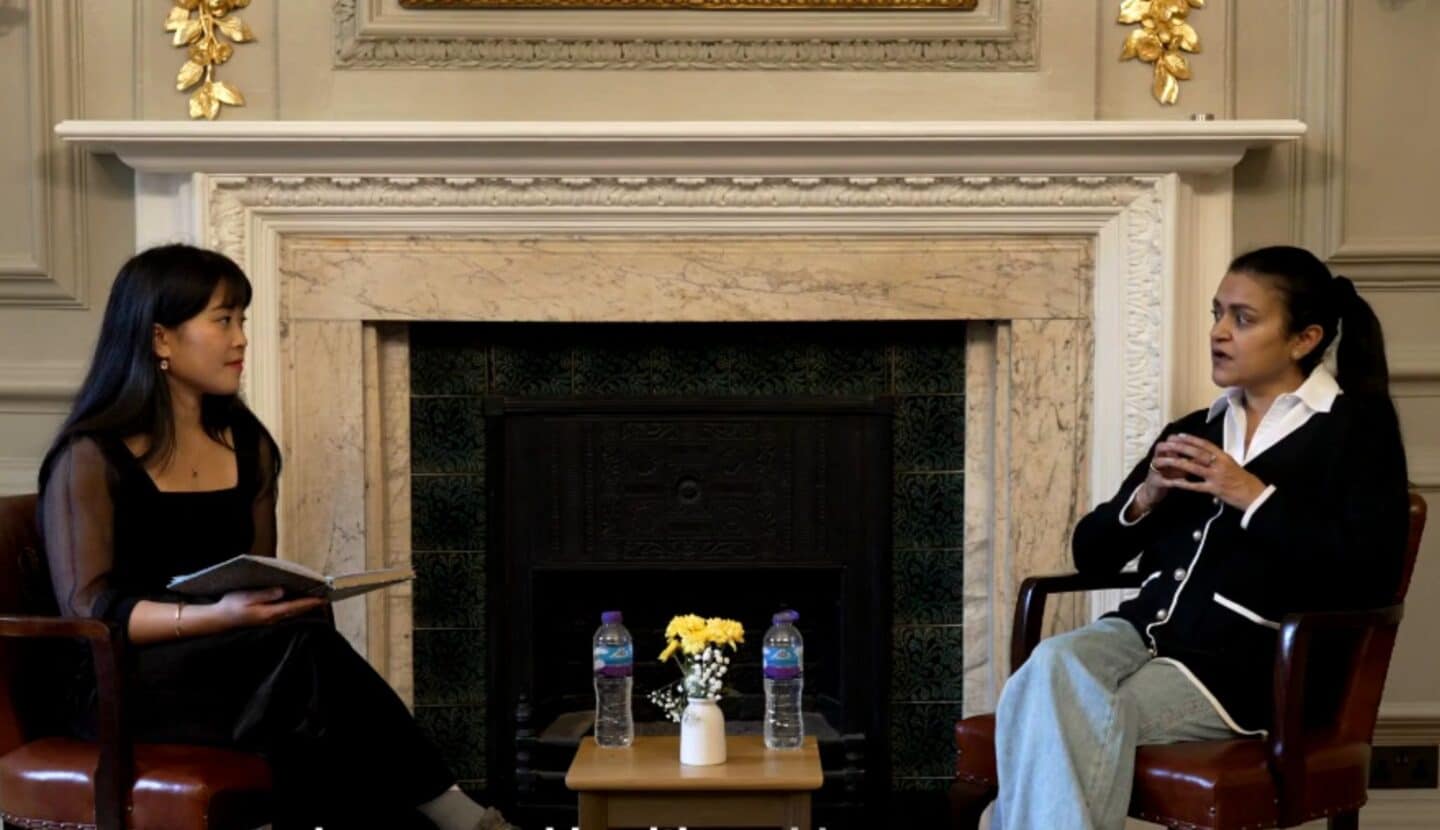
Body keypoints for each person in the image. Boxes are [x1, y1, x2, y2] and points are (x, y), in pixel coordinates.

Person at [37, 244, 515, 830]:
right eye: (223, 320)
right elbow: (89, 609)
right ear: (161, 339)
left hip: (237, 667)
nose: (241, 339)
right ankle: (459, 817)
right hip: (122, 684)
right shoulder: (90, 457)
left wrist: (279, 599)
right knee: (306, 664)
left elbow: (259, 568)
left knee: (303, 646)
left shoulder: (247, 442)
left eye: (242, 319)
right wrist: (221, 617)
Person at [991, 246, 1411, 829]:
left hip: (1247, 670)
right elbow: (1091, 554)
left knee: (1060, 710)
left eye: (1243, 318)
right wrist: (1149, 496)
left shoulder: (1356, 433)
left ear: (1303, 339)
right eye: (1217, 313)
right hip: (1138, 635)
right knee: (1051, 664)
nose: (1219, 332)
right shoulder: (1194, 429)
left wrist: (1250, 495)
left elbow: (1367, 571)